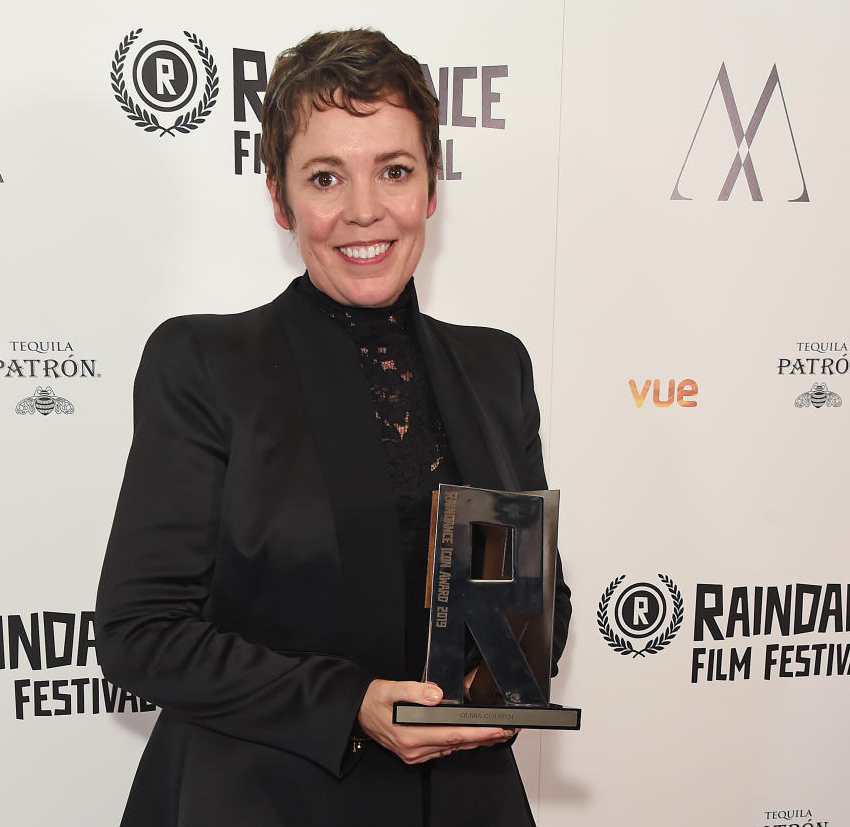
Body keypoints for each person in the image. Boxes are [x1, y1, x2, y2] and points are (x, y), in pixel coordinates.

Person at [96, 28, 571, 827]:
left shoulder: (496, 368)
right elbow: (141, 632)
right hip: (263, 798)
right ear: (281, 199)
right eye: (326, 176)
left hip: (462, 801)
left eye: (394, 170)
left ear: (430, 189)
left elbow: (532, 604)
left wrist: (506, 667)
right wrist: (351, 702)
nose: (363, 210)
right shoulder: (206, 363)